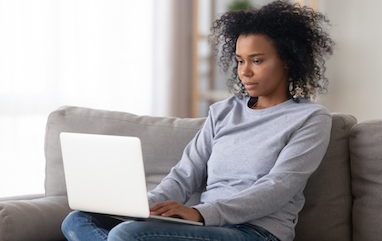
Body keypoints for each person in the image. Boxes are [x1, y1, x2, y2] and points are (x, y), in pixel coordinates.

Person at [61, 1, 335, 240]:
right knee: (79, 220)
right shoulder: (224, 111)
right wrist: (143, 206)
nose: (245, 72)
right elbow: (183, 176)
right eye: (239, 61)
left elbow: (279, 186)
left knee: (127, 234)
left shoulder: (310, 118)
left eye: (257, 60)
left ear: (287, 60)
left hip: (254, 231)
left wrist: (200, 214)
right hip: (204, 228)